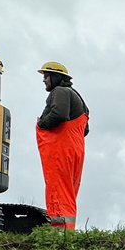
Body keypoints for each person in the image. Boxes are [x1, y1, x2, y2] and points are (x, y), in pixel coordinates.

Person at [36, 61, 89, 230]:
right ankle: (66, 231)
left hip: (61, 150)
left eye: (46, 76)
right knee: (68, 191)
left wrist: (41, 123)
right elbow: (85, 129)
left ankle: (60, 233)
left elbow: (59, 114)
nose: (44, 80)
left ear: (56, 77)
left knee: (58, 189)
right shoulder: (77, 96)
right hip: (75, 149)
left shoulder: (59, 92)